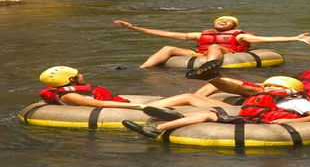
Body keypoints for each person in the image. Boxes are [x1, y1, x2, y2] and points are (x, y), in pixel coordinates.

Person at [122, 76, 310, 139]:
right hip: (248, 119)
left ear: (290, 90)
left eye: (275, 87)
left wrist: (290, 120)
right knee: (208, 114)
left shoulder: (298, 101)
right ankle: (154, 129)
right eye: (269, 86)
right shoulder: (262, 96)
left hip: (268, 124)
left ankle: (166, 120)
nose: (270, 88)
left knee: (210, 113)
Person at [113, 16, 310, 68]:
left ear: (233, 25)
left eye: (227, 21)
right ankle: (142, 68)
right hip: (201, 55)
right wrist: (134, 28)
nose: (222, 21)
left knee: (213, 46)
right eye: (220, 20)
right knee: (168, 47)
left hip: (227, 54)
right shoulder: (200, 33)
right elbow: (167, 34)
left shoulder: (239, 36)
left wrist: (295, 38)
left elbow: (266, 39)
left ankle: (209, 67)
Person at [38, 66, 229, 109]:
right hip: (129, 111)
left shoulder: (62, 91)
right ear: (71, 80)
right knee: (188, 97)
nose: (82, 74)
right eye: (78, 73)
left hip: (125, 105)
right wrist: (136, 107)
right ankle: (234, 112)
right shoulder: (69, 96)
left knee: (198, 93)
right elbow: (100, 105)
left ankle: (230, 109)